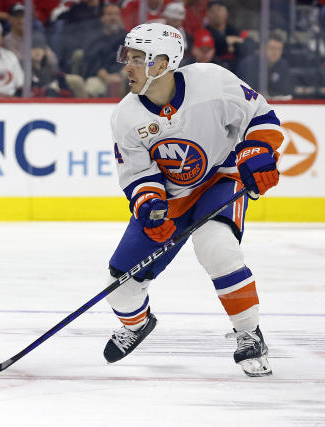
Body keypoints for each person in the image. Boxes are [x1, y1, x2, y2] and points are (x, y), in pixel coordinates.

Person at [104, 23, 282, 377]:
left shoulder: (212, 82)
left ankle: (249, 334)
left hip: (220, 178)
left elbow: (262, 117)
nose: (128, 66)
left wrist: (259, 151)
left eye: (138, 59)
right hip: (172, 197)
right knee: (120, 285)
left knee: (216, 246)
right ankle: (137, 324)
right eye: (128, 57)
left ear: (163, 63)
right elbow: (139, 176)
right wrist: (151, 210)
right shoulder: (126, 115)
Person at [236, 31, 293, 100]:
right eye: (272, 48)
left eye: (279, 49)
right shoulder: (248, 64)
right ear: (262, 48)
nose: (275, 53)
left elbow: (287, 91)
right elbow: (247, 92)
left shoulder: (283, 65)